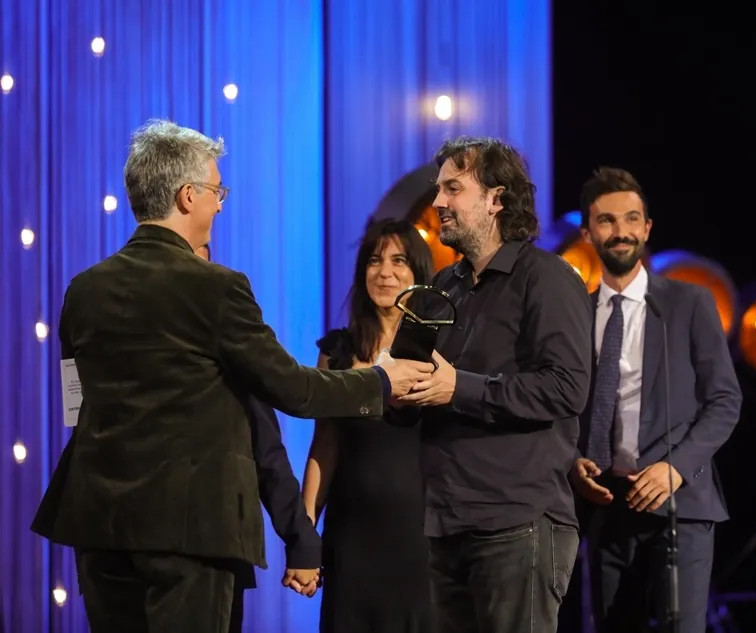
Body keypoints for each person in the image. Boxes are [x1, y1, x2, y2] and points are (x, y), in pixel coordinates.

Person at [30, 119, 433, 633]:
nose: (221, 204)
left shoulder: (83, 289)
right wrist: (382, 382)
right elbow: (295, 389)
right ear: (186, 196)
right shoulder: (217, 288)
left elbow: (74, 403)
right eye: (217, 191)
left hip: (97, 523)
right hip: (189, 530)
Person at [393, 136, 593, 633]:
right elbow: (411, 389)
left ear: (496, 199)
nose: (437, 202)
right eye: (440, 190)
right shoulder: (440, 288)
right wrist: (389, 386)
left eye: (452, 189)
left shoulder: (546, 278)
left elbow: (567, 387)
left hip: (518, 522)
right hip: (446, 522)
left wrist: (458, 388)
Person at [563, 167, 742, 633]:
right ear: (587, 232)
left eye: (631, 219)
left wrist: (676, 466)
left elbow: (724, 399)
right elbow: (559, 405)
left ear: (647, 228)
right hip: (604, 504)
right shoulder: (573, 313)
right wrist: (573, 459)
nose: (620, 231)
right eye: (606, 221)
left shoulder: (690, 303)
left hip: (680, 501)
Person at [302, 218, 434, 633]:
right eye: (375, 261)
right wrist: (305, 536)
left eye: (399, 261)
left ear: (418, 275)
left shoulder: (440, 352)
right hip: (353, 539)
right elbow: (324, 447)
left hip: (422, 539)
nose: (385, 272)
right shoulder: (337, 353)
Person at [195, 243, 323, 628]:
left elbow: (264, 449)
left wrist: (302, 541)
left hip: (206, 548)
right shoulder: (104, 302)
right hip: (132, 544)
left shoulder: (226, 330)